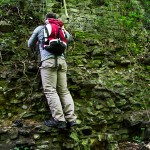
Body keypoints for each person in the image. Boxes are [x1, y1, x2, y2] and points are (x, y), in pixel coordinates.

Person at [28, 12, 77, 129]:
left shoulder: (41, 29)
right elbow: (69, 39)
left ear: (46, 19)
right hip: (62, 62)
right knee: (64, 91)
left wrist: (38, 42)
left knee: (50, 91)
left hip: (48, 62)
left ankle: (59, 119)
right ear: (56, 19)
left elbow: (30, 44)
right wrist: (62, 29)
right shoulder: (62, 30)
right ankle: (71, 119)